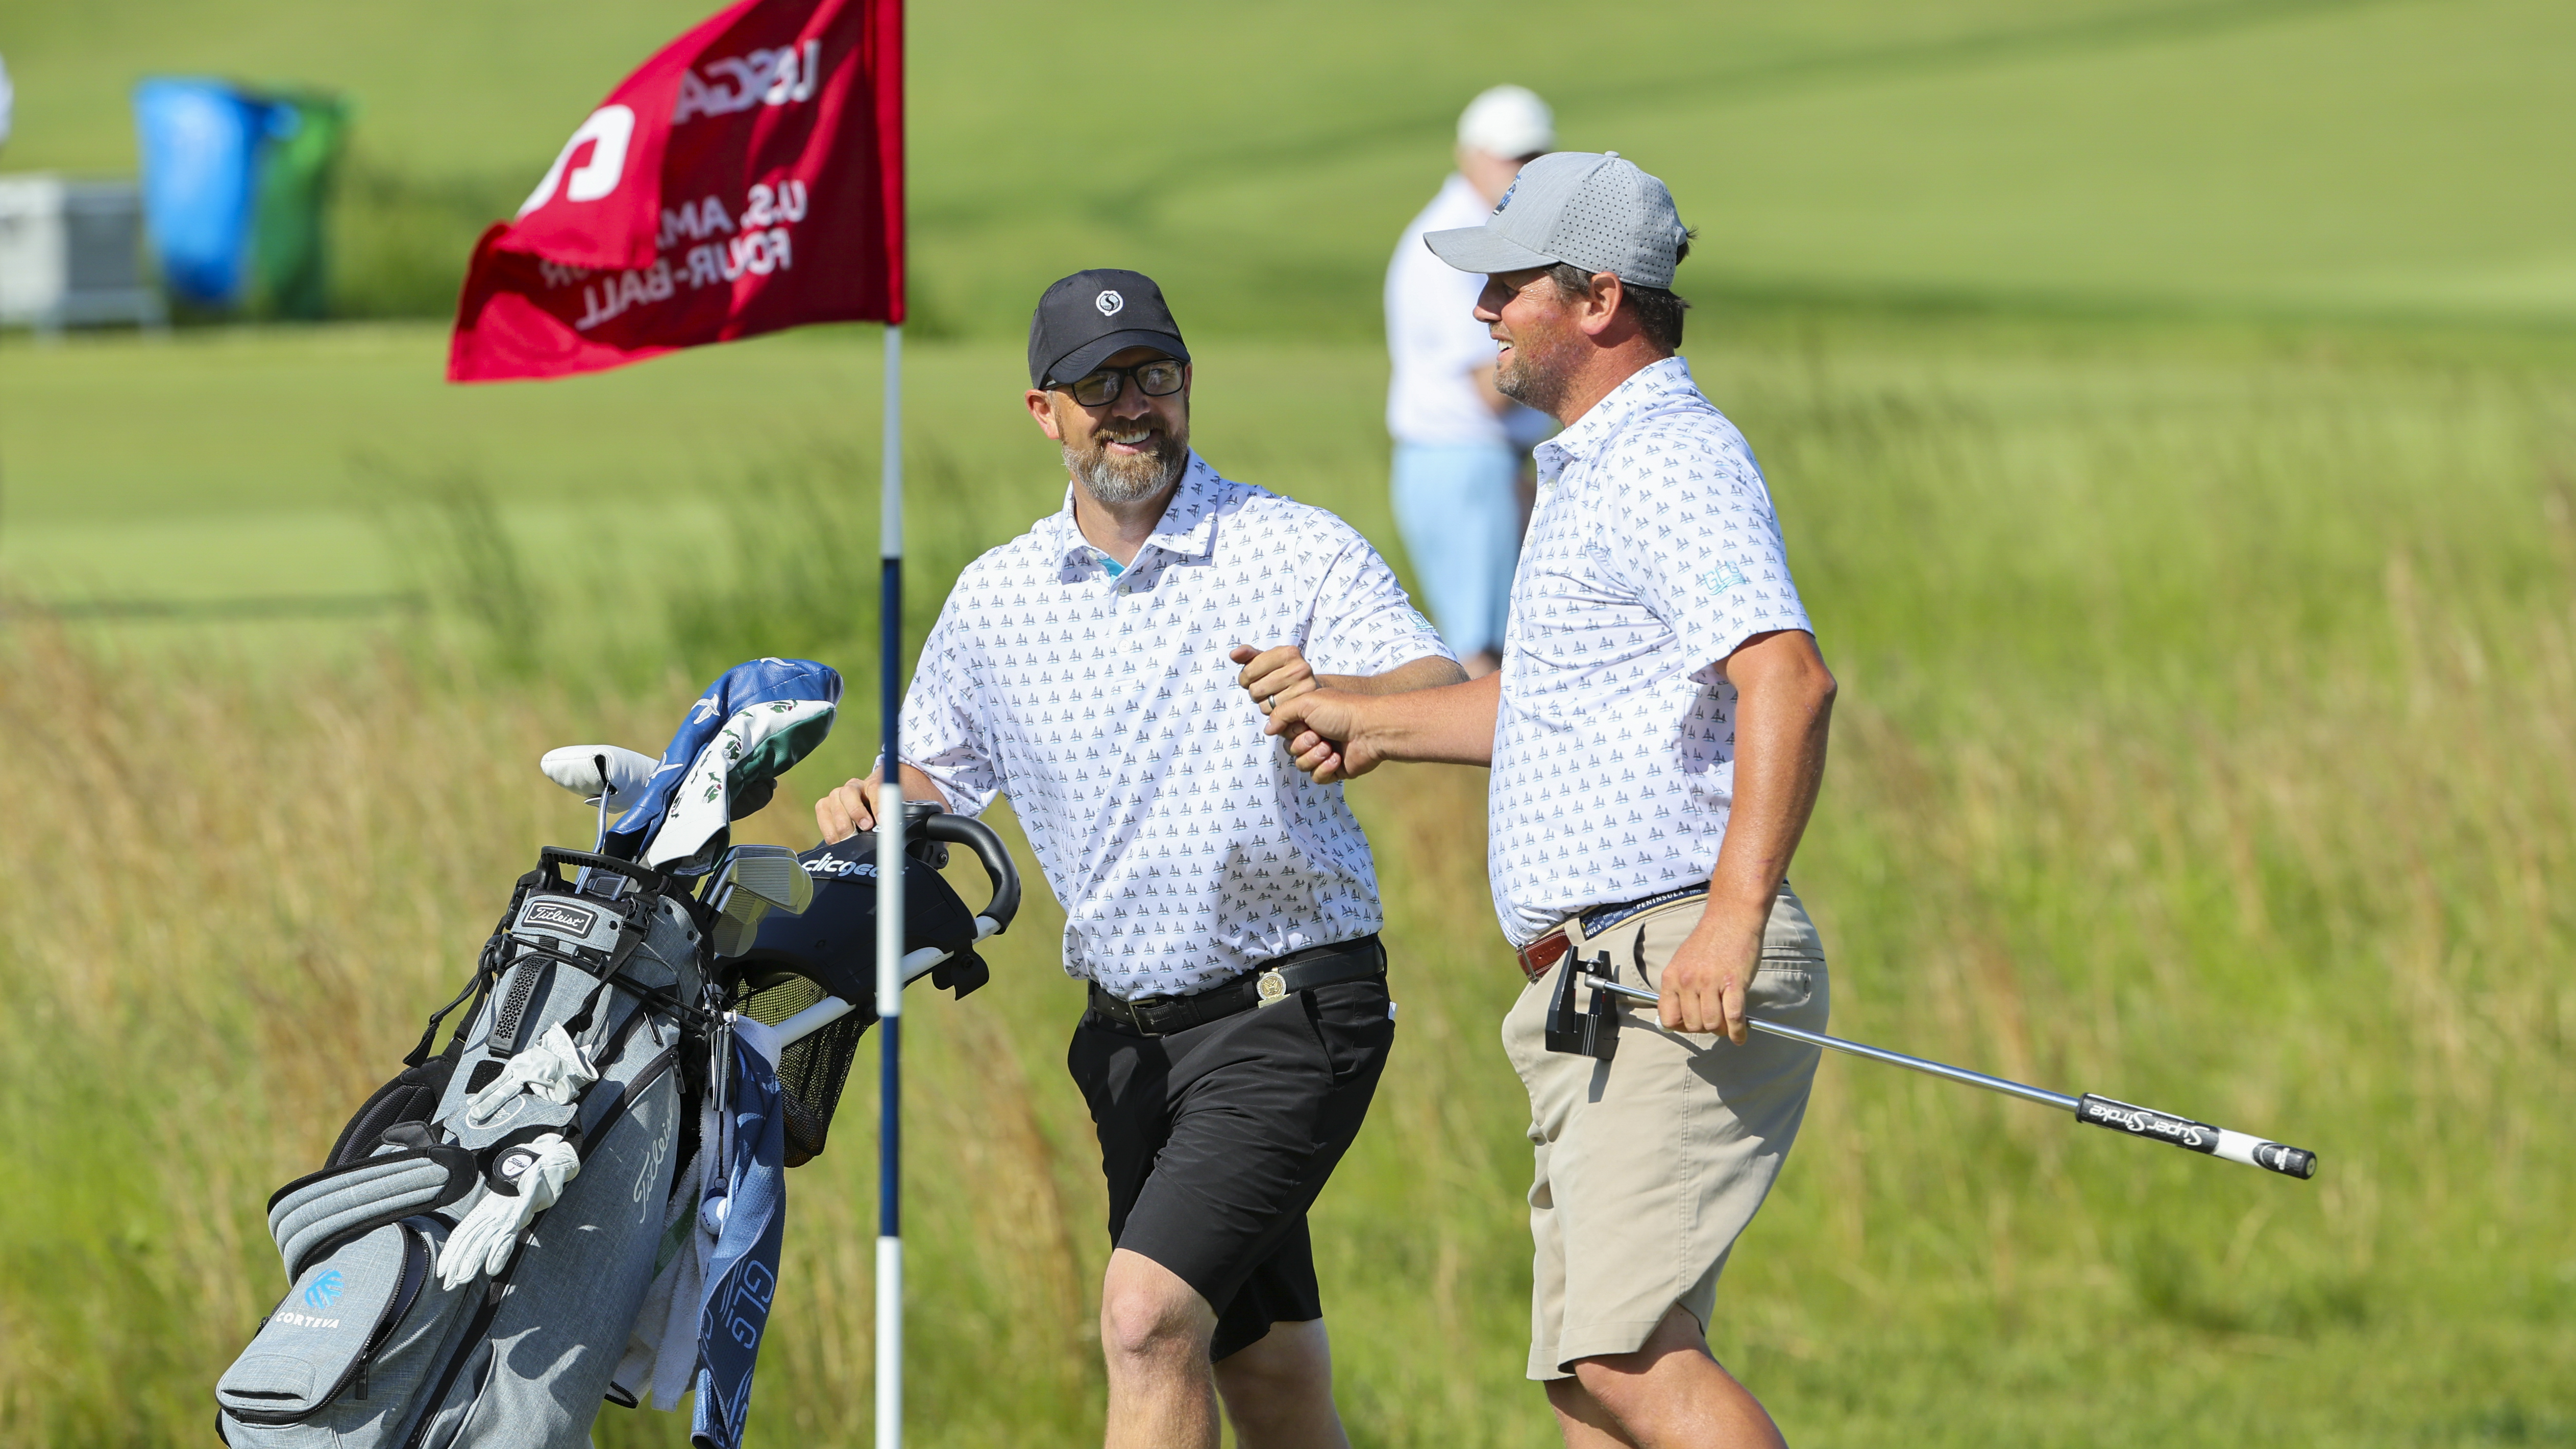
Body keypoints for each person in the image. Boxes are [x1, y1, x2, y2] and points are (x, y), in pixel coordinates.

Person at [816, 268, 1463, 1449]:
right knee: (1263, 1368)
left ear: (1187, 386)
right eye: (1098, 384)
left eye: (1154, 376)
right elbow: (937, 778)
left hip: (1289, 1008)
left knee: (1146, 1317)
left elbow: (1434, 687)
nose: (1132, 406)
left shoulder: (1288, 547)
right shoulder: (999, 596)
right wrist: (874, 798)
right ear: (1043, 412)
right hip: (1128, 1044)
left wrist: (1344, 701)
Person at [1262, 154, 1840, 1449]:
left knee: (1626, 1359)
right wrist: (1371, 715)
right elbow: (1553, 710)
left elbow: (1788, 683)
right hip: (1600, 979)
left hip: (1669, 955)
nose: (1483, 310)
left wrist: (1731, 923)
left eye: (1509, 285)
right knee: (1592, 1383)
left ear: (1597, 300)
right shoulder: (1591, 467)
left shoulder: (1669, 461)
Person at [1384, 85, 1558, 678]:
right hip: (1462, 462)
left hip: (1488, 463)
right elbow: (1492, 387)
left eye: (1536, 158)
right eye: (1513, 157)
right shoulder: (1449, 242)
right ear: (1470, 156)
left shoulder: (1483, 232)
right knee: (1485, 656)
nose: (1524, 172)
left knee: (1515, 646)